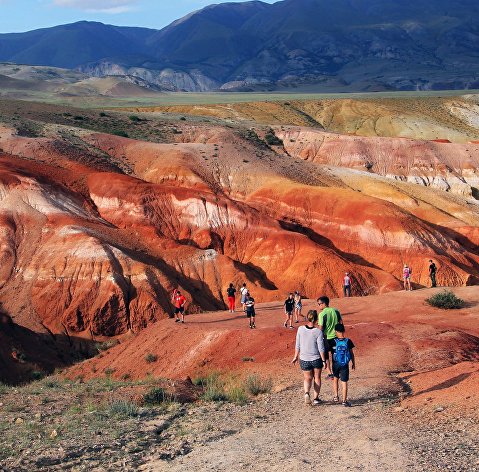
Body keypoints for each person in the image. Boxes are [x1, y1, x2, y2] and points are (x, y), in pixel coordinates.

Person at [292, 310, 327, 406]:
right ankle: (316, 398)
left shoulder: (300, 329)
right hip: (316, 358)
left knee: (307, 378)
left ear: (307, 318)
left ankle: (307, 393)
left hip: (304, 358)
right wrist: (324, 360)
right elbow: (321, 348)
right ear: (316, 319)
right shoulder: (318, 332)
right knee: (317, 378)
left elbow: (297, 344)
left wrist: (295, 356)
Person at [329, 323, 355, 407]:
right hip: (344, 364)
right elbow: (351, 354)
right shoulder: (348, 341)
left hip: (335, 364)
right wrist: (353, 363)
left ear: (336, 331)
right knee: (344, 382)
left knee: (335, 379)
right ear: (344, 330)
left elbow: (329, 353)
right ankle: (344, 401)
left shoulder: (333, 341)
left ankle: (336, 396)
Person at [317, 295, 342, 379]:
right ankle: (337, 372)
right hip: (336, 337)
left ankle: (330, 373)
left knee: (326, 356)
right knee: (335, 355)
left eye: (319, 304)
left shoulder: (322, 314)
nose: (319, 305)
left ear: (324, 304)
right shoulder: (336, 311)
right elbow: (341, 323)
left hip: (326, 338)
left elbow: (320, 328)